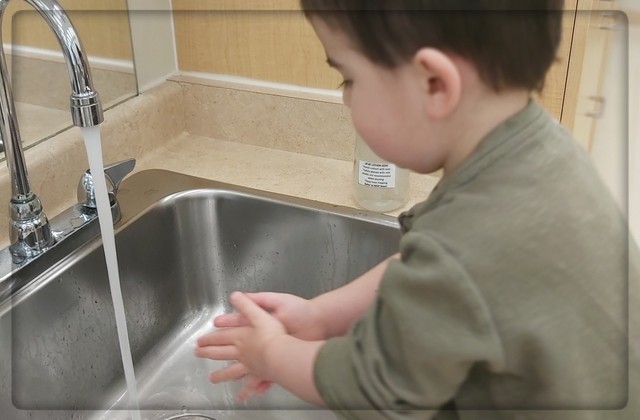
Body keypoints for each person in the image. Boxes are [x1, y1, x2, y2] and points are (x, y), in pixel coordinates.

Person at [194, 1, 640, 418]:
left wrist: (272, 353)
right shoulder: (534, 151)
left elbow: (375, 389)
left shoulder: (476, 235)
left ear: (434, 84)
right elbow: (427, 264)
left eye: (348, 78)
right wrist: (323, 314)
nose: (347, 99)